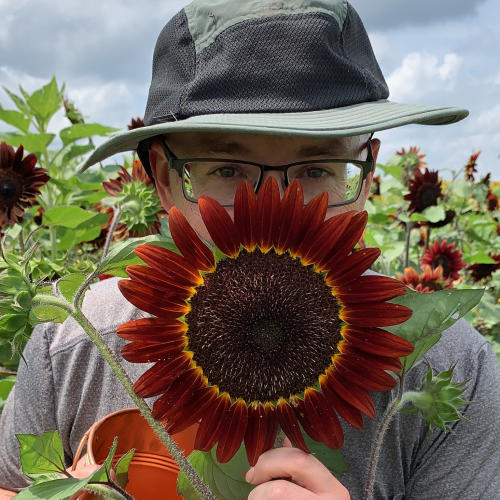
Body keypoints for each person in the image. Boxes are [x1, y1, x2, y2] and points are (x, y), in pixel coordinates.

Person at [1, 0, 499, 498]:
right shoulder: (73, 352)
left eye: (316, 169)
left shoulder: (456, 373)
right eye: (227, 171)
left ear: (364, 173)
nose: (276, 209)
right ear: (163, 178)